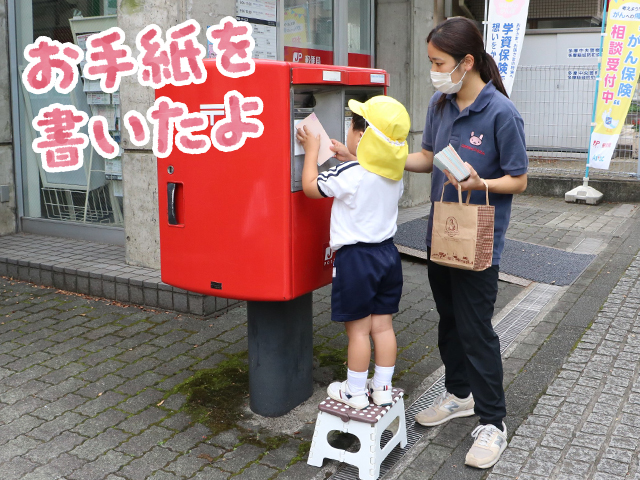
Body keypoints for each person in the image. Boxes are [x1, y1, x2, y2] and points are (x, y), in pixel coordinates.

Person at [405, 17, 528, 469]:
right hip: (442, 232)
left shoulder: (500, 112)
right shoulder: (440, 104)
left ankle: (493, 422)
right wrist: (383, 157)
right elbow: (426, 155)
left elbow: (519, 180)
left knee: (477, 329)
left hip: (478, 237)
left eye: (439, 63)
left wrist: (482, 182)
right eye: (432, 62)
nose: (434, 70)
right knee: (449, 319)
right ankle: (458, 395)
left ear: (467, 61)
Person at [296, 96, 410, 409]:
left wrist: (310, 152)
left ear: (362, 137)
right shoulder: (394, 174)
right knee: (383, 326)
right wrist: (351, 155)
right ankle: (382, 387)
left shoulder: (350, 175)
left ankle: (355, 392)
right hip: (388, 256)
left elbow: (309, 187)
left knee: (358, 331)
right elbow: (372, 170)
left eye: (352, 127)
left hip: (356, 260)